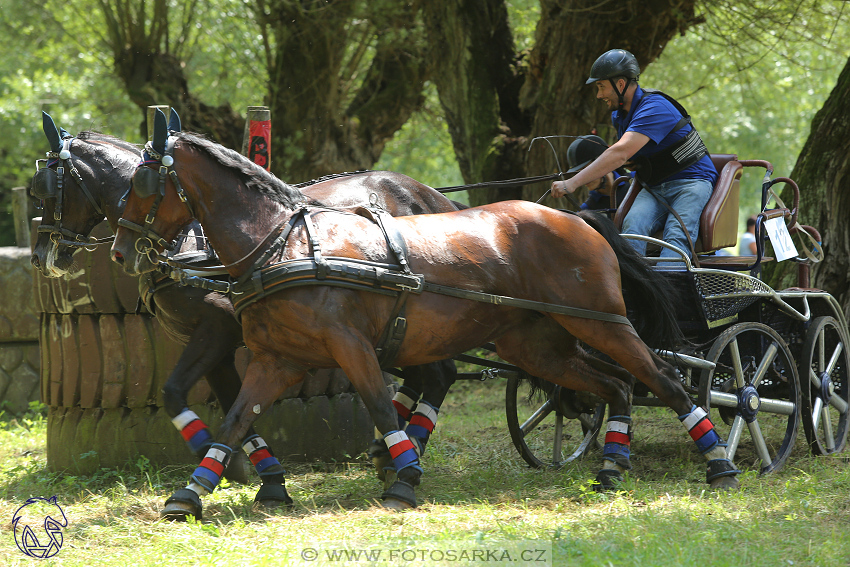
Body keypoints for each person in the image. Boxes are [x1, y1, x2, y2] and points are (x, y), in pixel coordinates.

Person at [552, 49, 718, 263]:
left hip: (691, 183)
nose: (599, 95)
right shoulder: (619, 116)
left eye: (601, 87)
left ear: (620, 84)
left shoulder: (655, 107)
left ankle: (672, 290)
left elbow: (620, 153)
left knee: (676, 237)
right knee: (631, 229)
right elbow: (631, 154)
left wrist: (571, 183)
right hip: (655, 187)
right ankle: (634, 289)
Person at [564, 135, 630, 212]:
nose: (582, 178)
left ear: (603, 162)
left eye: (586, 170)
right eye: (578, 173)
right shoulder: (587, 209)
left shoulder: (635, 183)